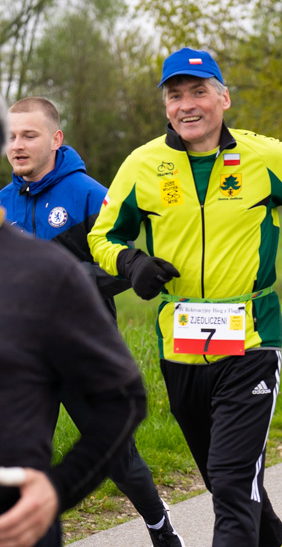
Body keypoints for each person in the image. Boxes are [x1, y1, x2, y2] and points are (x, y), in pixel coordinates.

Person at [88, 48, 282, 547]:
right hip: (181, 346)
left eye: (199, 92)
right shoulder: (143, 164)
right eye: (175, 96)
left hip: (252, 338)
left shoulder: (266, 156)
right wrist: (133, 265)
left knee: (232, 484)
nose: (187, 105)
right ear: (166, 107)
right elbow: (102, 237)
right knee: (223, 477)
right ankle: (277, 538)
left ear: (224, 98)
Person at [0, 97, 185, 547]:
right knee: (18, 466)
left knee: (121, 459)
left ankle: (160, 526)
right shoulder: (4, 201)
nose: (18, 146)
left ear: (56, 139)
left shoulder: (88, 193)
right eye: (11, 137)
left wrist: (64, 280)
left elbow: (122, 265)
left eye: (30, 135)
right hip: (23, 361)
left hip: (81, 350)